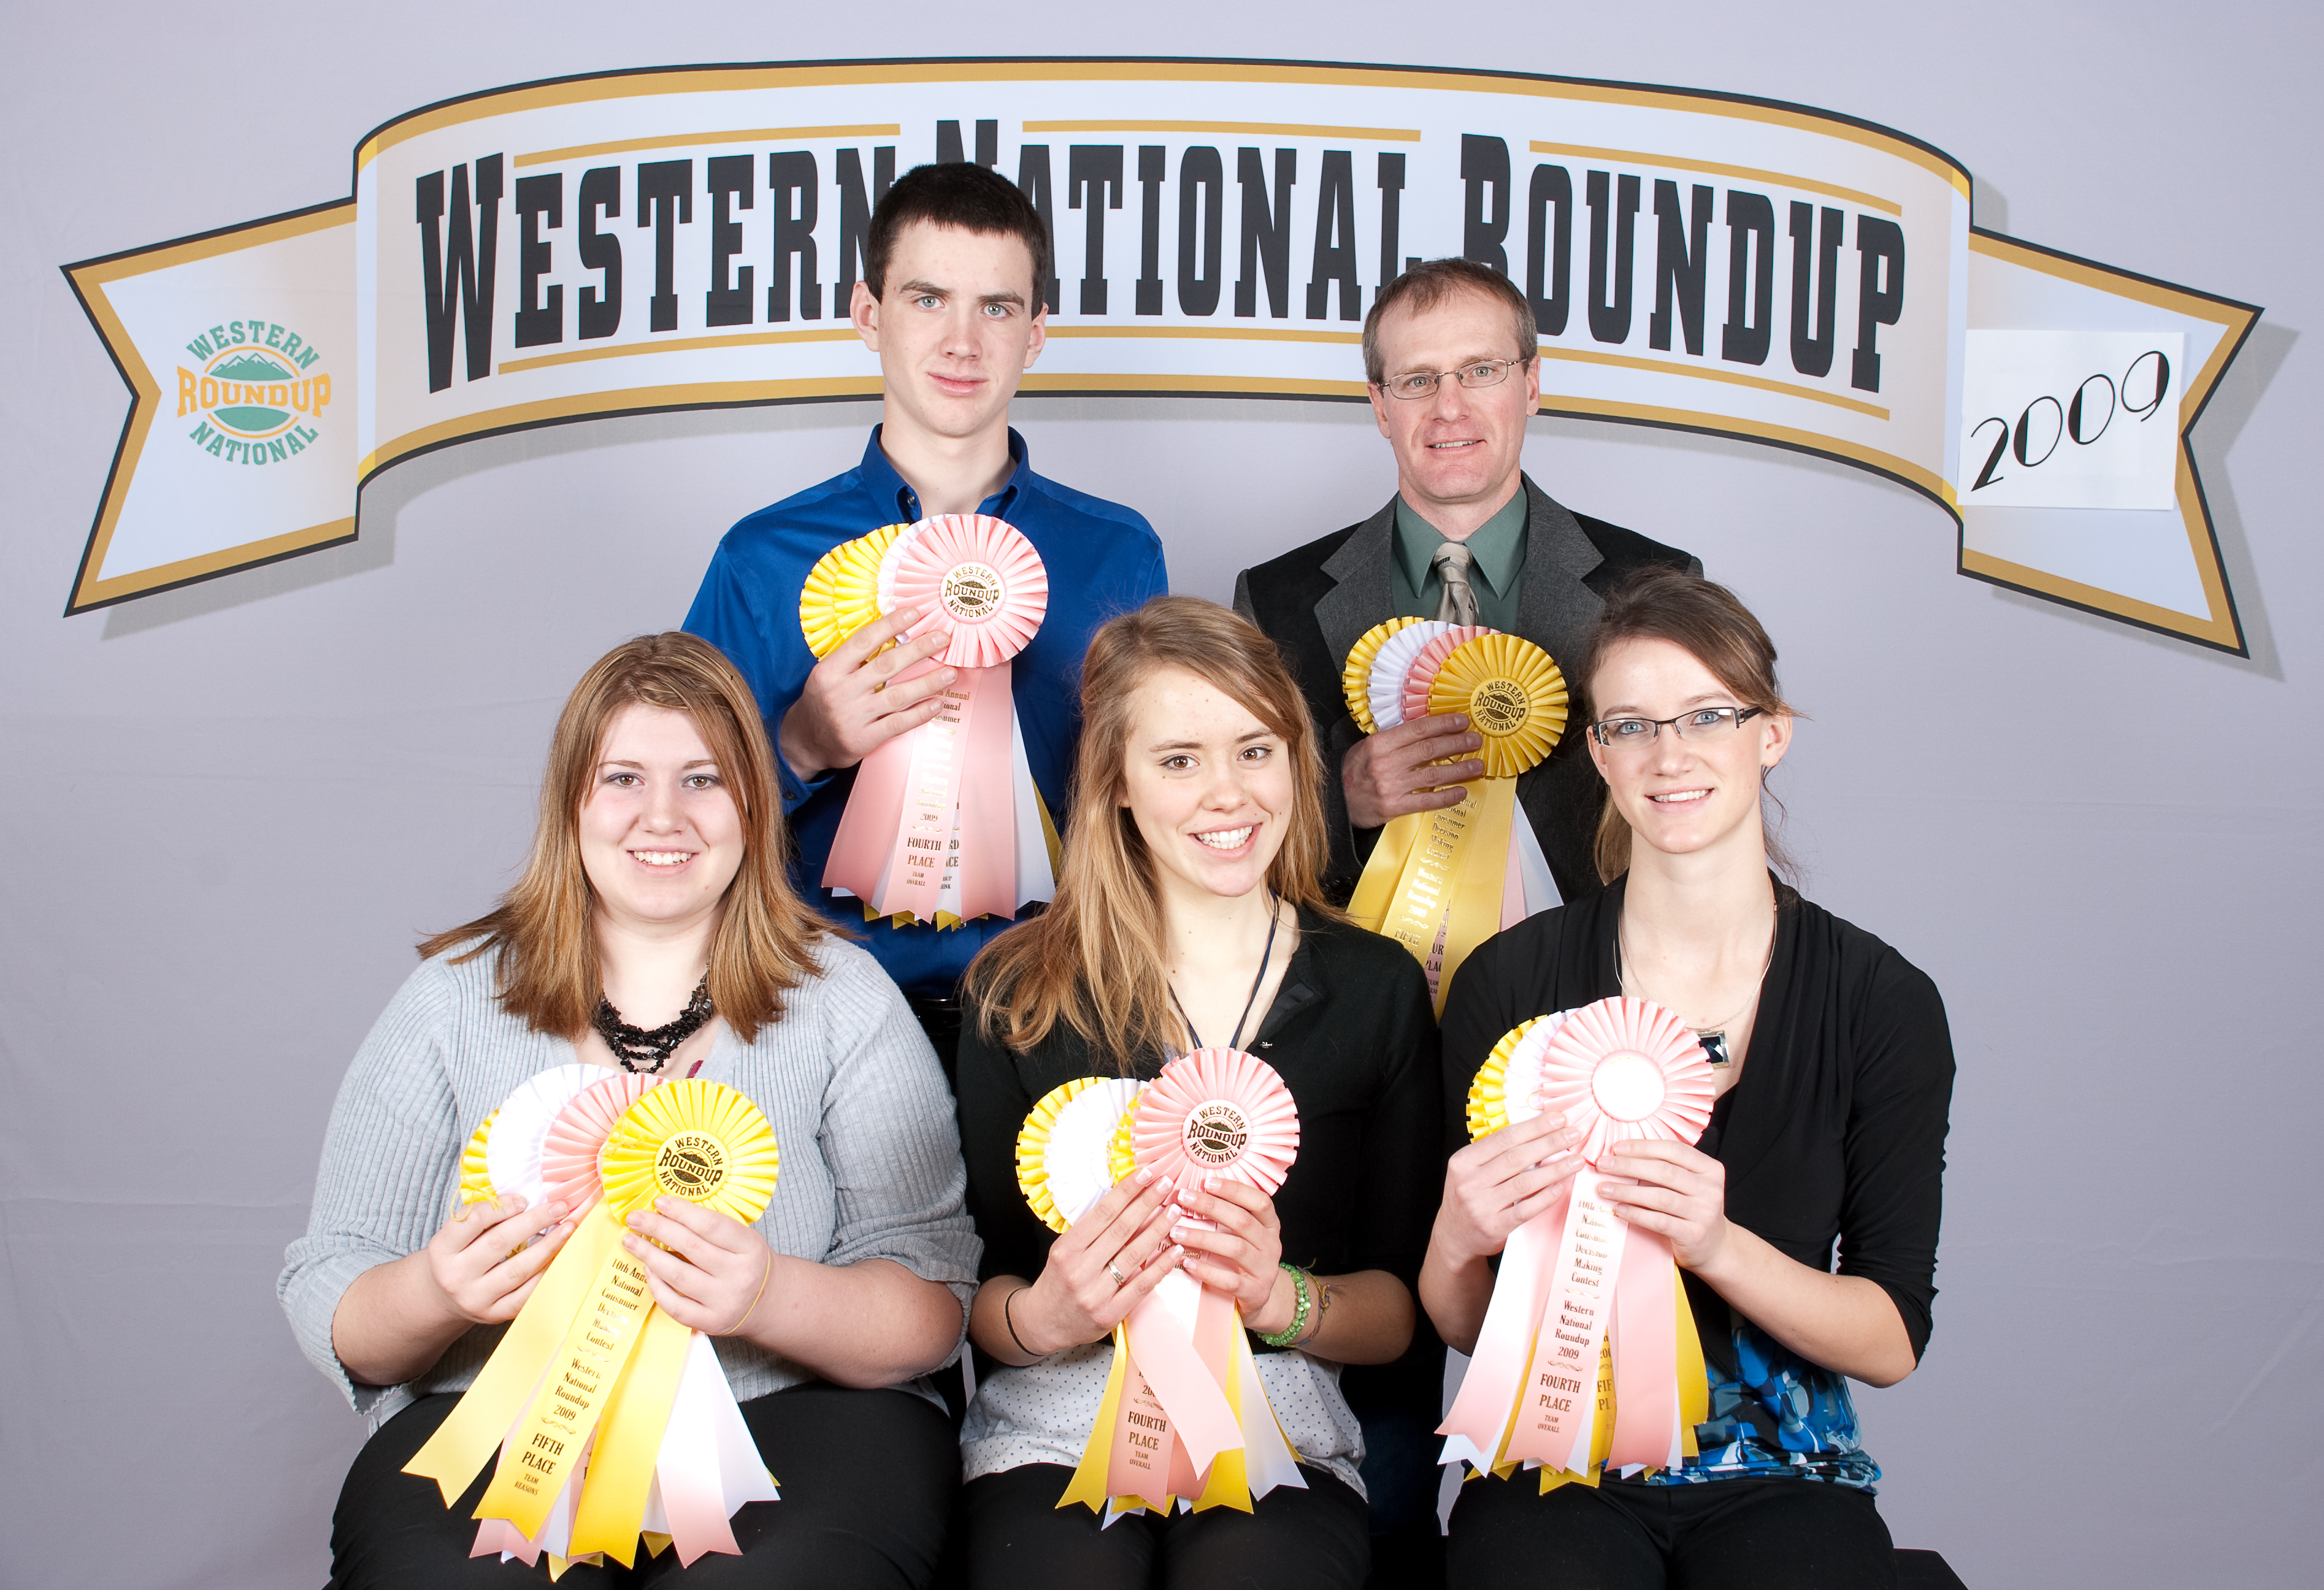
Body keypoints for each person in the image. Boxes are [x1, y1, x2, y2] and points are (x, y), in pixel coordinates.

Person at [280, 632, 979, 1588]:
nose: (664, 816)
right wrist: (438, 1293)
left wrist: (770, 1296)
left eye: (703, 780)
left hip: (792, 1414)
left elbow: (934, 1304)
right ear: (571, 804)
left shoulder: (842, 999)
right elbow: (333, 1291)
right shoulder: (449, 1001)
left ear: (753, 803)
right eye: (622, 779)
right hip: (501, 1415)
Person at [1422, 568, 1954, 1589]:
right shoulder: (1511, 980)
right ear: (1596, 753)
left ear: (1771, 731)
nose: (1666, 755)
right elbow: (1466, 1322)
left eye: (1705, 715)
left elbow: (1889, 1338)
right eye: (1628, 725)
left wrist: (1713, 1244)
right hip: (1550, 1464)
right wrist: (1452, 1233)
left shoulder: (1879, 1002)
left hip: (1785, 1472)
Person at [950, 596, 1442, 1589]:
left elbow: (1396, 1312)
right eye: (1178, 759)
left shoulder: (1376, 986)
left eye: (1253, 750)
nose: (1227, 794)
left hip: (1283, 1446)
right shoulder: (1017, 992)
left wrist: (1279, 1298)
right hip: (1051, 1436)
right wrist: (1046, 1318)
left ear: (1295, 761)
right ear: (1116, 785)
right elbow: (976, 1295)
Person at [686, 162, 1167, 1075]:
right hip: (814, 1015)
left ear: (1035, 335)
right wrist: (798, 747)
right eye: (927, 298)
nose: (962, 341)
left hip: (1057, 1013)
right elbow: (676, 807)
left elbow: (1152, 800)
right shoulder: (761, 557)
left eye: (996, 307)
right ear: (868, 314)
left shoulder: (1119, 553)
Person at [1233, 256, 1700, 908]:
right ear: (1380, 404)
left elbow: (1690, 814)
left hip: (1586, 996)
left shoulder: (1658, 584)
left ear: (1531, 385)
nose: (1449, 408)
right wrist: (1342, 801)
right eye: (1417, 379)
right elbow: (1231, 823)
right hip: (1360, 996)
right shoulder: (1275, 600)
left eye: (1481, 372)